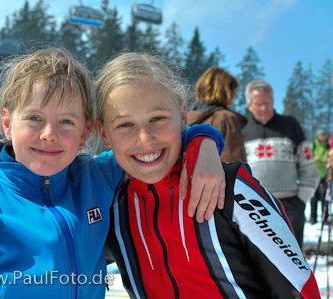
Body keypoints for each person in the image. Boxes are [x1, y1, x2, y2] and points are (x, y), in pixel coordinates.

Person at [0, 48, 226, 298]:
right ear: (8, 123)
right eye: (35, 118)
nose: (50, 134)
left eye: (66, 121)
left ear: (85, 132)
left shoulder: (98, 178)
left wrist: (203, 141)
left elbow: (152, 144)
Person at [96, 53, 320, 298]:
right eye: (125, 125)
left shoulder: (229, 187)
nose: (145, 138)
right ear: (104, 132)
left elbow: (298, 287)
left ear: (183, 114)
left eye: (157, 118)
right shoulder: (110, 207)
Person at [242, 80, 320, 248]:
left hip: (290, 206)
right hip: (254, 207)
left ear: (273, 101)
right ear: (249, 105)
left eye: (267, 103)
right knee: (259, 259)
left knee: (293, 261)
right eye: (259, 104)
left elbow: (309, 167)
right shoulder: (243, 129)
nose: (264, 108)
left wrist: (301, 201)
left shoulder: (290, 124)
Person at [187, 66, 247, 162]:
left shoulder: (184, 118)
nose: (234, 98)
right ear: (226, 92)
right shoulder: (226, 118)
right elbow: (233, 164)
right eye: (233, 93)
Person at [309, 128, 330, 224]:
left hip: (325, 176)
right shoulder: (312, 146)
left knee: (324, 198)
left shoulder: (329, 147)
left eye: (324, 135)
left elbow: (328, 159)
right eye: (321, 135)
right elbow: (307, 158)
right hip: (313, 176)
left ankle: (325, 218)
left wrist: (318, 158)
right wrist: (322, 159)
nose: (323, 137)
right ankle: (313, 218)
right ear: (317, 136)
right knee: (313, 199)